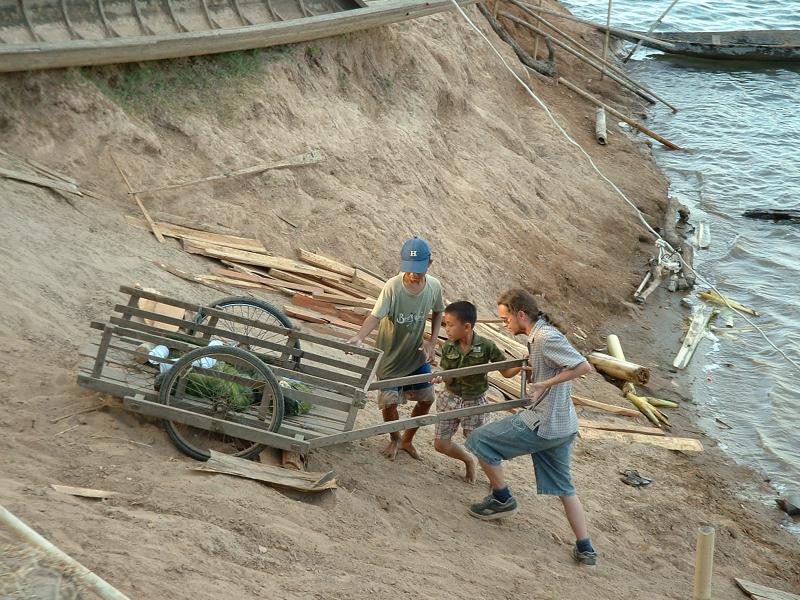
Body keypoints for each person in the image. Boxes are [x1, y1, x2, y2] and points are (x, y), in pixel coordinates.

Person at [464, 288, 598, 567]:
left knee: (479, 440)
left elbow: (583, 367)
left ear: (520, 314)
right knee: (565, 488)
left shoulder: (545, 338)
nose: (505, 324)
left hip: (543, 424)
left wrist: (543, 384)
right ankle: (585, 547)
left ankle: (502, 498)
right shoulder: (539, 337)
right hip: (563, 427)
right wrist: (537, 374)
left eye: (505, 319)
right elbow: (555, 367)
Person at [347, 237, 444, 461]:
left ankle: (408, 439)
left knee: (427, 398)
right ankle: (395, 438)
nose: (413, 275)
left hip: (416, 357)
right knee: (389, 403)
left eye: (418, 270)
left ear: (429, 263)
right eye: (409, 270)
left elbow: (439, 311)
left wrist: (432, 340)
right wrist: (360, 336)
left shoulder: (434, 287)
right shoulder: (393, 286)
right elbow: (376, 315)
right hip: (390, 358)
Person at [433, 300, 519, 483]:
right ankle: (467, 460)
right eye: (445, 325)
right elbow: (449, 377)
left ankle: (496, 482)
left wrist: (521, 366)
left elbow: (506, 371)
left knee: (481, 444)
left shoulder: (487, 346)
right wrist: (442, 376)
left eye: (450, 325)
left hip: (475, 401)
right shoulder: (448, 346)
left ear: (466, 326)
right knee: (441, 444)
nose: (446, 329)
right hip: (450, 398)